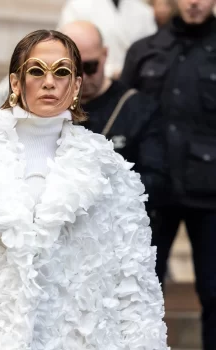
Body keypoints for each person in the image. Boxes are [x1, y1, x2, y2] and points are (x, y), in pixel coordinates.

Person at [0, 30, 168, 349]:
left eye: (61, 71)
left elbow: (134, 285)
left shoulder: (110, 170)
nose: (49, 82)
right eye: (36, 70)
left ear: (76, 84)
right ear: (15, 82)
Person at [121, 0, 216, 349]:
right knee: (142, 290)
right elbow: (126, 112)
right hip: (153, 191)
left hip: (210, 193)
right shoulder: (144, 50)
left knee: (214, 291)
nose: (195, 3)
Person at [60, 21, 166, 209]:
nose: (81, 77)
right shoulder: (48, 103)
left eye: (90, 66)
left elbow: (157, 180)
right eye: (71, 68)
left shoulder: (138, 107)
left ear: (105, 55)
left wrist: (104, 182)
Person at [57, 0, 157, 79]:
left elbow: (152, 50)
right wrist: (110, 71)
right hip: (92, 79)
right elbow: (66, 48)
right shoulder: (78, 6)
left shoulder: (144, 11)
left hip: (134, 81)